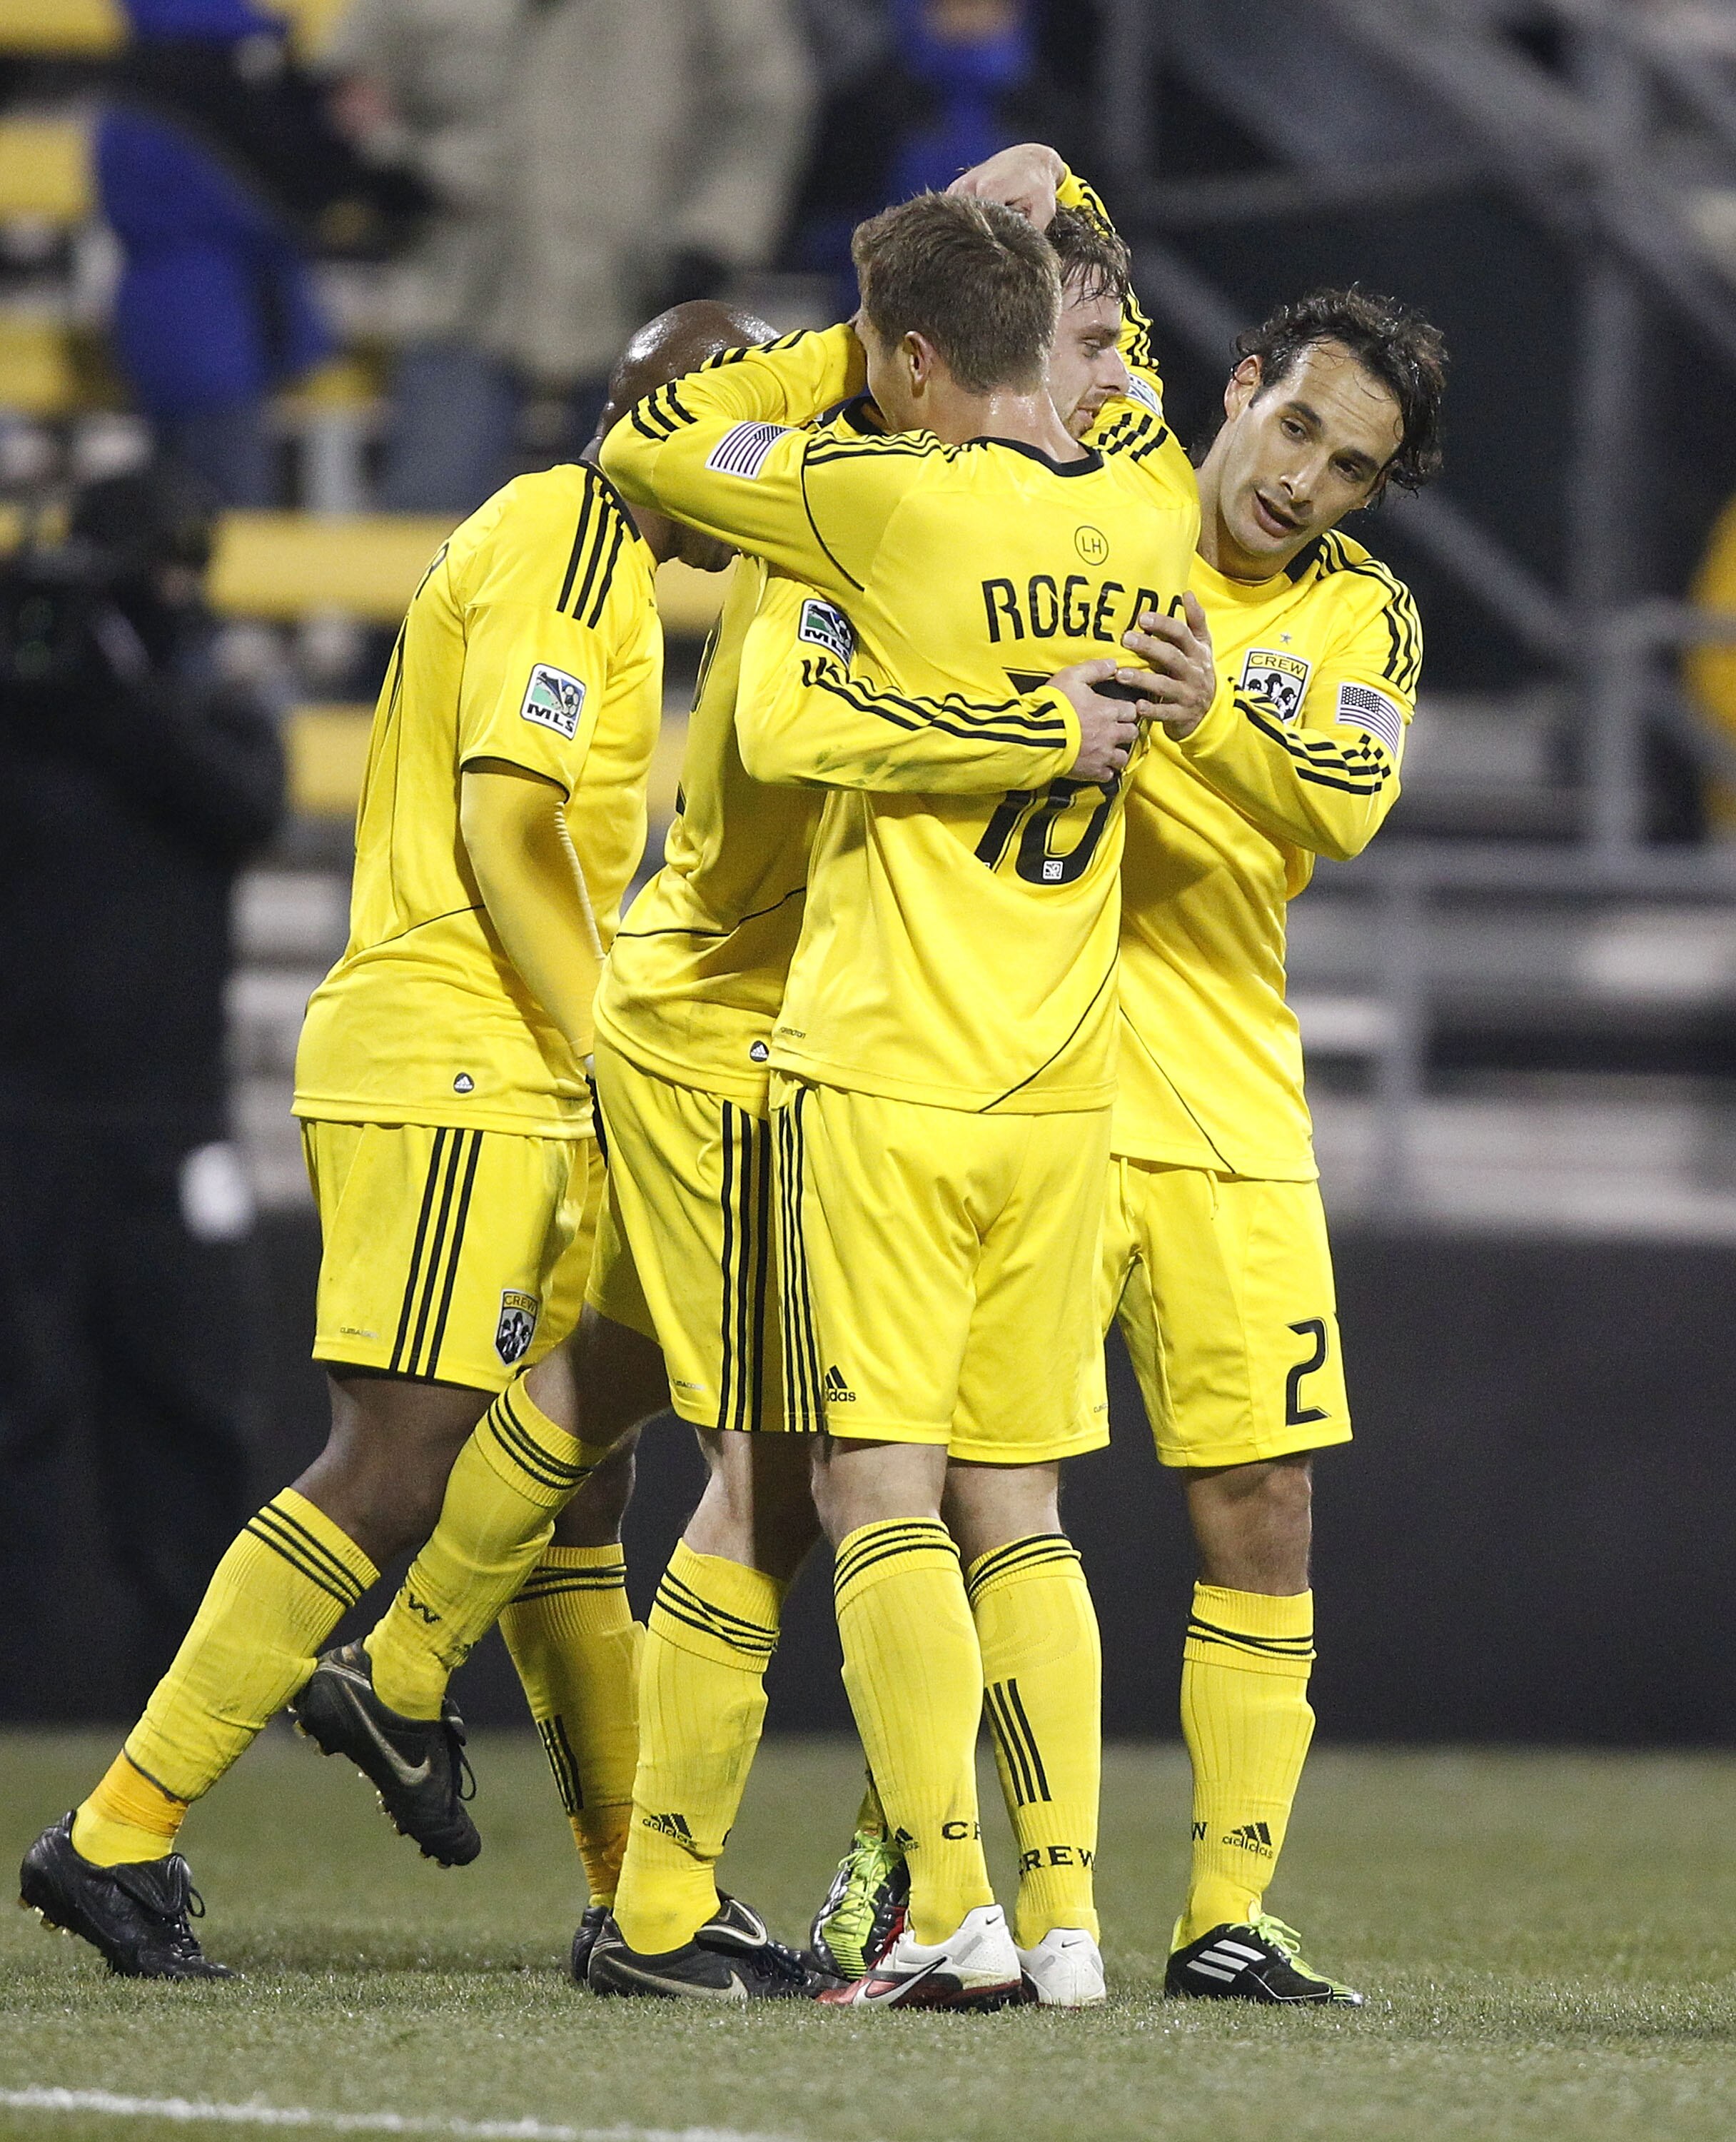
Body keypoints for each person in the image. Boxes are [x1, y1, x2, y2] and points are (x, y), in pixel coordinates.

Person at [14, 304, 762, 1983]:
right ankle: (120, 1832)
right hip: (456, 1059)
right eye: (744, 438)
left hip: (500, 1068)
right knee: (400, 1457)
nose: (762, 478)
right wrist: (615, 1045)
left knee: (573, 1484)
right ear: (673, 424)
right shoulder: (569, 541)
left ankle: (639, 1896)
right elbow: (507, 823)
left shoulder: (586, 560)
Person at [819, 145, 1446, 2008]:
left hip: (1227, 1103)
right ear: (1238, 383)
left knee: (1262, 1502)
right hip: (1031, 1071)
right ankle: (915, 1868)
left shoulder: (1360, 622)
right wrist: (998, 217)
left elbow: (1340, 804)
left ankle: (1226, 1911)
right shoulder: (1114, 451)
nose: (1308, 483)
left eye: (1354, 472)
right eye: (1303, 430)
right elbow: (1029, 176)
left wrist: (1206, 709)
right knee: (963, 1500)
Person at [599, 191, 1201, 2010]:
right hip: (1059, 1086)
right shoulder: (1149, 510)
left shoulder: (883, 497)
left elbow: (648, 445)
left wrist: (829, 363)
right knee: (1018, 1507)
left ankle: (947, 1899)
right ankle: (1072, 1914)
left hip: (881, 1067)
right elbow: (1126, 377)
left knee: (866, 1486)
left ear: (915, 362)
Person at [0, 463, 283, 1721]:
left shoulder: (194, 695)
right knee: (16, 1409)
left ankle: (198, 1700)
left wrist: (111, 690)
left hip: (167, 1120)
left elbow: (246, 802)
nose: (173, 593)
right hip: (20, 1117)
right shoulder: (23, 699)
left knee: (185, 1404)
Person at [339, 0, 814, 514]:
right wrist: (386, 166)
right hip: (462, 291)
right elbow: (352, 84)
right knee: (426, 529)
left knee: (653, 534)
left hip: (647, 294)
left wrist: (717, 231)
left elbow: (763, 103)